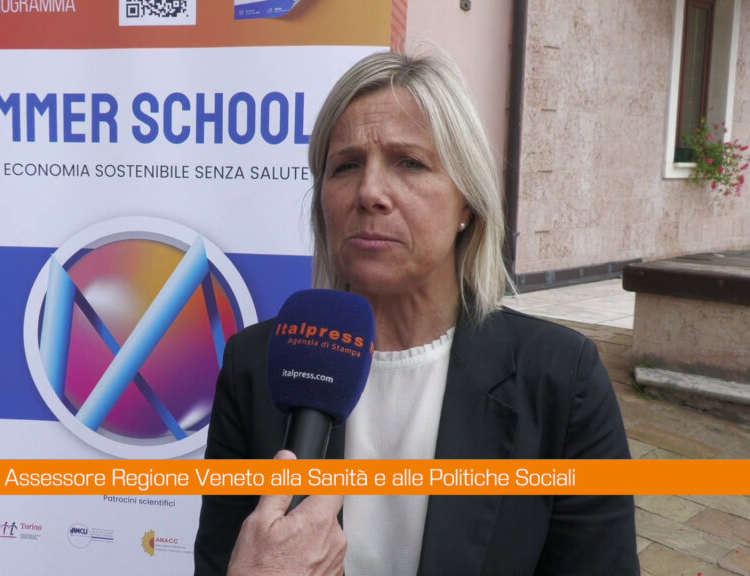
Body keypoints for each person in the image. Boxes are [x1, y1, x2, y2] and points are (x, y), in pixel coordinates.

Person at [194, 50, 639, 575]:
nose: (369, 192)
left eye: (409, 162)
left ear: (467, 201)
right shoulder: (255, 364)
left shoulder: (561, 379)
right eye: (346, 166)